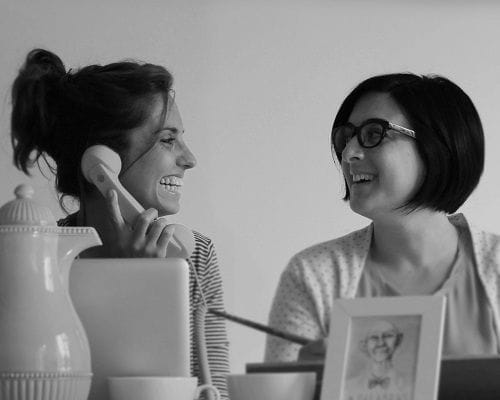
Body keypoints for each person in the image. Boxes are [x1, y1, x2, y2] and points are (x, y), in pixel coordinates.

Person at [10, 49, 229, 399]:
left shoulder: (193, 254)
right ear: (102, 162)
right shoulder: (33, 258)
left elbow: (215, 392)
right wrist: (132, 282)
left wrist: (151, 283)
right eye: (168, 140)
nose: (189, 159)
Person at [265, 73, 500, 363]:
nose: (349, 154)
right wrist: (311, 381)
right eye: (346, 138)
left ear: (437, 146)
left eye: (374, 134)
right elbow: (278, 384)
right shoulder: (312, 276)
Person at [344, 320, 411, 400]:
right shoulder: (348, 387)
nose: (381, 343)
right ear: (364, 345)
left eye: (388, 336)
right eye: (374, 337)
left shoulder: (409, 385)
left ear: (398, 340)